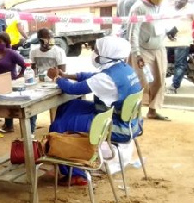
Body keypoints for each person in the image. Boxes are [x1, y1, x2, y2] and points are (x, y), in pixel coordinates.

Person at [46, 36, 142, 186]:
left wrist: (56, 78)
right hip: (124, 119)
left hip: (116, 126)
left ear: (107, 53)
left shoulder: (107, 78)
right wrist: (66, 75)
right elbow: (93, 77)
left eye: (97, 50)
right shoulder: (122, 68)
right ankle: (71, 159)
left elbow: (72, 89)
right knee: (69, 106)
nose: (94, 52)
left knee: (59, 126)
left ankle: (76, 174)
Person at [127, 0, 170, 121]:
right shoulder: (138, 7)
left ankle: (152, 111)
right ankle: (134, 112)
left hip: (158, 48)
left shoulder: (163, 6)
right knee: (141, 81)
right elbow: (133, 33)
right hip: (142, 50)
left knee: (160, 79)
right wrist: (137, 54)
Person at [0, 32, 25, 133]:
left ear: (6, 42)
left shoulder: (11, 53)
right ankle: (7, 124)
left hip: (9, 82)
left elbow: (24, 64)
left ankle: (9, 125)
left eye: (0, 41)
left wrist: (20, 75)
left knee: (6, 102)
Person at [29, 28, 66, 133]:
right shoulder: (34, 52)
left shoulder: (59, 51)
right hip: (39, 85)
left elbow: (62, 72)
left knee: (60, 106)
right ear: (40, 40)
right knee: (31, 102)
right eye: (48, 38)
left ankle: (57, 129)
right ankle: (31, 130)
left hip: (54, 84)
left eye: (52, 37)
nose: (51, 40)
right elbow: (33, 70)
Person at [165, 0, 194, 94]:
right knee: (164, 63)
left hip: (182, 41)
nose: (178, 1)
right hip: (166, 41)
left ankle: (174, 87)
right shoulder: (169, 8)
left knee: (180, 64)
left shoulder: (191, 9)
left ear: (186, 1)